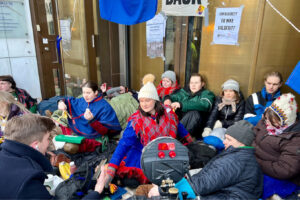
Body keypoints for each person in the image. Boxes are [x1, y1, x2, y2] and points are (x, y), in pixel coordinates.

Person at [103, 82, 193, 187]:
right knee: (136, 181)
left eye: (147, 100)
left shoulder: (169, 114)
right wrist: (112, 168)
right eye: (141, 101)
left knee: (176, 175)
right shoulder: (136, 120)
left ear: (155, 100)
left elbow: (179, 127)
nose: (144, 104)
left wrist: (190, 142)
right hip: (143, 154)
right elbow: (124, 143)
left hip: (166, 152)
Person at [148, 120, 263, 199]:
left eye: (229, 139)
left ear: (241, 142)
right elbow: (209, 175)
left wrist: (163, 191)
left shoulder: (235, 161)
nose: (224, 142)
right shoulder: (240, 155)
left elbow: (202, 184)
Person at [0, 114, 105, 199]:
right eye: (47, 139)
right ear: (35, 145)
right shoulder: (27, 183)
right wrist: (97, 191)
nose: (49, 142)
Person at [252, 93, 300, 199]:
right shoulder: (267, 120)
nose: (267, 123)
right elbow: (253, 133)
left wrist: (257, 162)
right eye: (266, 118)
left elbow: (285, 169)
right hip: (256, 163)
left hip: (276, 176)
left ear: (284, 122)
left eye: (272, 121)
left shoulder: (295, 139)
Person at [58, 81, 121, 152]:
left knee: (70, 147)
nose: (85, 95)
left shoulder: (105, 107)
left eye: (88, 93)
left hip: (95, 138)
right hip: (78, 133)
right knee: (61, 124)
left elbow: (105, 131)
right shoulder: (81, 100)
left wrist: (92, 120)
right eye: (83, 92)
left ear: (96, 92)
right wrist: (61, 103)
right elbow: (66, 100)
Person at [164, 73, 215, 138]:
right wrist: (167, 99)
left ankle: (177, 138)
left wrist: (181, 104)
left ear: (202, 84)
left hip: (196, 127)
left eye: (196, 83)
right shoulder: (184, 92)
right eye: (191, 83)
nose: (193, 85)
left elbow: (205, 105)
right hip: (181, 122)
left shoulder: (207, 94)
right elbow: (172, 96)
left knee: (193, 113)